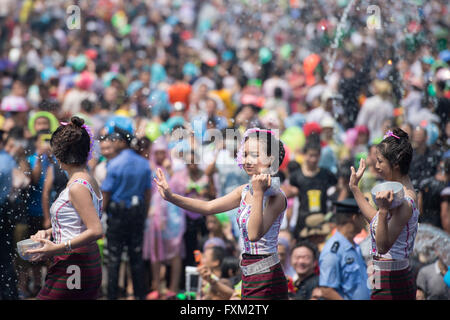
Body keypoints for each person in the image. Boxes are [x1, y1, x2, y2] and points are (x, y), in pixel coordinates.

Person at [154, 128, 288, 300]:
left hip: (267, 274)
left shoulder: (275, 196)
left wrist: (259, 193)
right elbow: (208, 207)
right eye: (244, 154)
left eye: (253, 155)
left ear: (271, 159)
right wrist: (171, 197)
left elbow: (254, 234)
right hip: (249, 272)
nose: (247, 160)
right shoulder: (244, 190)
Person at [27, 116, 103, 299]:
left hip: (74, 264)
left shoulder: (77, 187)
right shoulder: (88, 178)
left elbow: (96, 230)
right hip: (80, 260)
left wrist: (57, 248)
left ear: (61, 154)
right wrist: (49, 231)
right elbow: (78, 223)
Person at [349, 127, 418, 300]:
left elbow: (383, 246)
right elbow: (377, 223)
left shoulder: (405, 201)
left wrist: (383, 210)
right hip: (380, 273)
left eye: (380, 161)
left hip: (393, 280)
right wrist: (355, 188)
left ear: (395, 163)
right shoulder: (396, 191)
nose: (376, 166)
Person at [101, 126, 152, 300]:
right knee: (136, 257)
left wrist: (99, 214)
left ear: (123, 142)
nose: (112, 143)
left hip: (117, 214)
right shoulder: (143, 163)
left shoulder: (114, 163)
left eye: (115, 140)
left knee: (114, 257)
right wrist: (143, 214)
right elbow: (147, 193)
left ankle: (113, 296)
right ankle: (140, 295)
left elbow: (106, 192)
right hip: (137, 212)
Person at [318, 198, 371, 300]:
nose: (365, 222)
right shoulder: (333, 251)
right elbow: (327, 290)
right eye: (362, 217)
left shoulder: (354, 246)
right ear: (354, 218)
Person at [289, 134, 337, 241]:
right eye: (311, 155)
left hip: (321, 220)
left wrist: (332, 218)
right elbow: (291, 203)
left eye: (316, 156)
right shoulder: (296, 176)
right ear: (304, 155)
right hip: (302, 220)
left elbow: (337, 191)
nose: (313, 159)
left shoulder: (326, 174)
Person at [0, 129, 19, 299]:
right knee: (5, 255)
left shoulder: (3, 160)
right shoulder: (7, 159)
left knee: (4, 256)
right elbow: (20, 182)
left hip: (2, 210)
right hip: (6, 209)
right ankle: (10, 292)